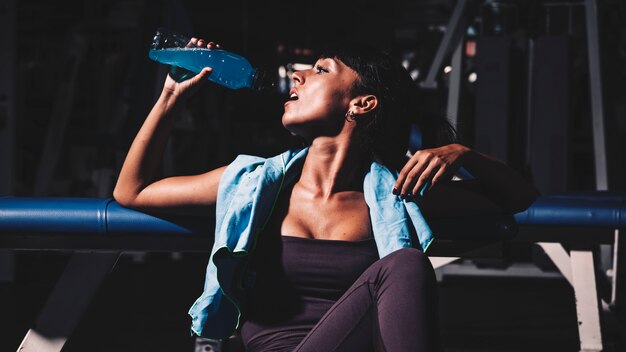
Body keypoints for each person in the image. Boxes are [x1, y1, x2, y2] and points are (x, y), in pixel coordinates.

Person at [113, 37, 537, 352]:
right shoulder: (253, 186)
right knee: (405, 264)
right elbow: (133, 191)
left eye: (320, 69)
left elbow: (516, 197)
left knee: (404, 265)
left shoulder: (394, 198)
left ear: (362, 104)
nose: (298, 75)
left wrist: (462, 154)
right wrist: (170, 95)